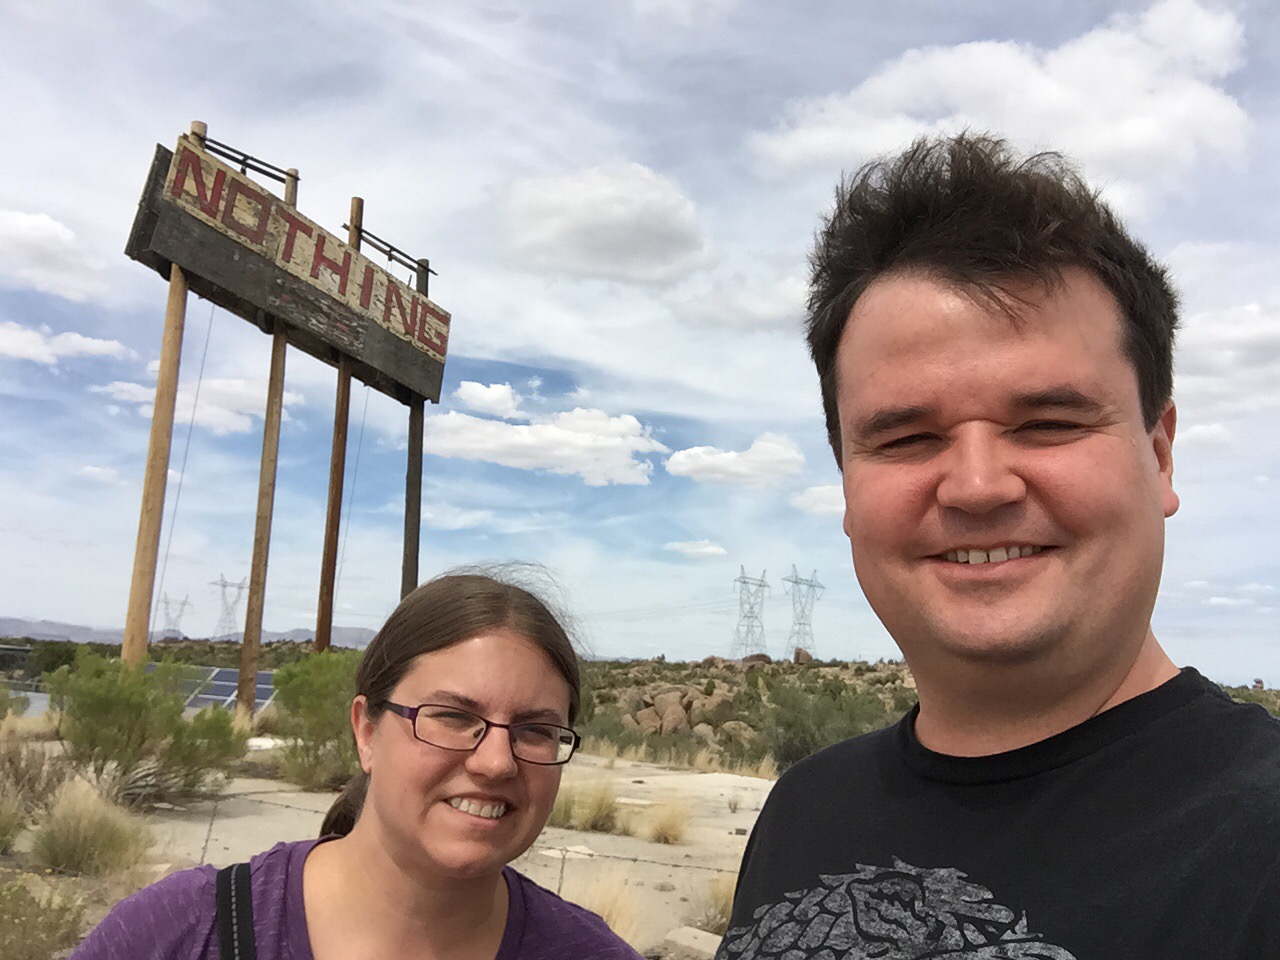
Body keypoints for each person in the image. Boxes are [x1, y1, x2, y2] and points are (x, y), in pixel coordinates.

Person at [717, 134, 1280, 959]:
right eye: (908, 438)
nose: (978, 486)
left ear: (1160, 455)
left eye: (1048, 423)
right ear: (846, 485)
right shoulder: (804, 811)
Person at [73, 569, 644, 960]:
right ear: (366, 731)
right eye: (451, 716)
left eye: (536, 730)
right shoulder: (183, 933)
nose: (496, 762)